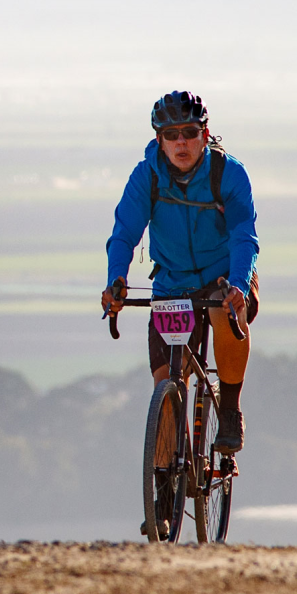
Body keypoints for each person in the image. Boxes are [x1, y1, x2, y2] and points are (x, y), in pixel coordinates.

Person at [101, 90, 259, 456]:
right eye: (171, 135)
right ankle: (163, 495)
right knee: (166, 388)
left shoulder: (228, 174)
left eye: (189, 132)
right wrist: (116, 281)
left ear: (205, 134)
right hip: (173, 281)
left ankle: (231, 409)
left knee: (225, 312)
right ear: (159, 140)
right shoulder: (147, 177)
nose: (181, 142)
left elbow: (243, 236)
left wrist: (237, 285)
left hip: (225, 275)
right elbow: (124, 234)